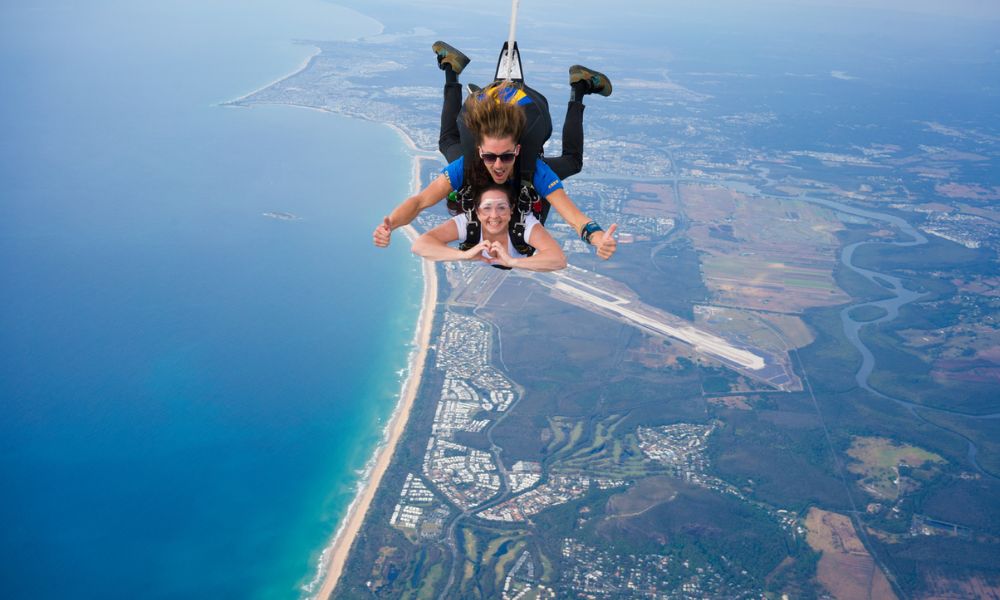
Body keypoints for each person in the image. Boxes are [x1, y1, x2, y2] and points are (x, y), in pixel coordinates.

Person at [373, 69, 618, 259]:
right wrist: (390, 225)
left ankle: (579, 88)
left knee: (573, 163)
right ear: (480, 152)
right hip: (477, 160)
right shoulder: (466, 165)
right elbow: (419, 202)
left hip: (518, 167)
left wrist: (596, 238)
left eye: (506, 156)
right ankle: (456, 74)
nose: (499, 165)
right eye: (490, 157)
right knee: (450, 144)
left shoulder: (533, 169)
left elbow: (574, 218)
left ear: (518, 151)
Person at [411, 183, 566, 272]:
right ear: (477, 211)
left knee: (572, 163)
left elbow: (558, 260)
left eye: (501, 208)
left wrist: (512, 262)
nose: (494, 216)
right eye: (487, 208)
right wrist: (464, 255)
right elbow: (420, 245)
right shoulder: (468, 223)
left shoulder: (524, 224)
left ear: (511, 210)